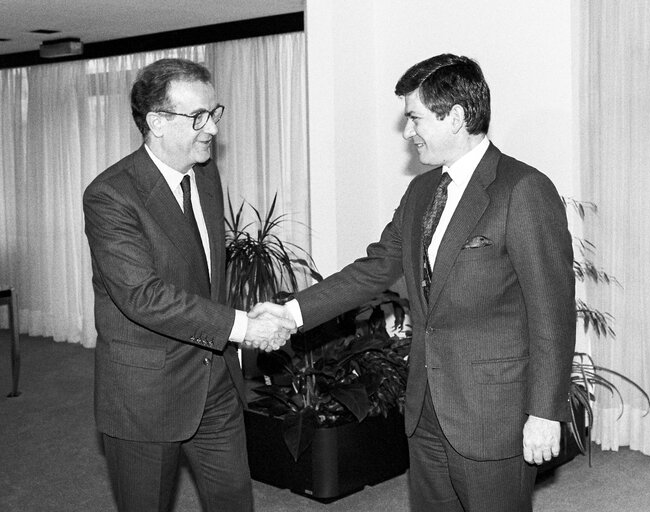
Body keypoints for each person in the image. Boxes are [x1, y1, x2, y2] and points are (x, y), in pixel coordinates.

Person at [284, 54, 575, 511]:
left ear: (456, 117)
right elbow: (375, 268)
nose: (407, 132)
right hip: (425, 410)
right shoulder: (422, 191)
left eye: (415, 118)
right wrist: (290, 313)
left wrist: (544, 412)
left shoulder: (523, 190)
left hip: (493, 413)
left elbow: (551, 313)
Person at [83, 58, 295, 512]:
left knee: (235, 502)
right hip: (147, 394)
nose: (212, 129)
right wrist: (241, 327)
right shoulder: (111, 195)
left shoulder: (205, 174)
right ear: (157, 122)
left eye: (214, 113)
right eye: (198, 117)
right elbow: (143, 296)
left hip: (215, 377)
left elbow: (200, 275)